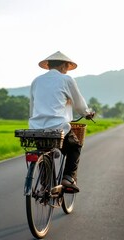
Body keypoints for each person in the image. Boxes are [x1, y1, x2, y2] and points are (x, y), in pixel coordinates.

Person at [29, 51, 94, 193]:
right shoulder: (66, 80)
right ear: (64, 65)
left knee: (44, 150)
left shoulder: (36, 81)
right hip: (58, 127)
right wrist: (86, 113)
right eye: (67, 66)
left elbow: (32, 107)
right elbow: (79, 104)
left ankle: (45, 185)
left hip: (36, 127)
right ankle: (68, 178)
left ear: (48, 65)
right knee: (75, 146)